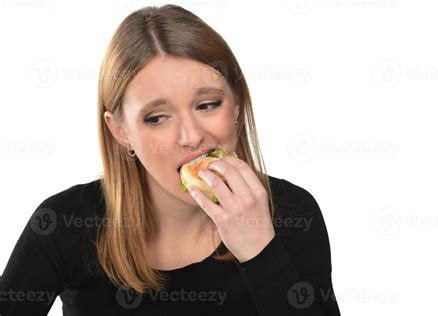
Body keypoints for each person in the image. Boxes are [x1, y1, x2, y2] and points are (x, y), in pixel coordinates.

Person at [0, 4, 340, 315]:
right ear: (120, 131)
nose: (191, 136)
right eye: (157, 117)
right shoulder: (63, 223)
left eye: (207, 105)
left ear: (236, 105)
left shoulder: (293, 211)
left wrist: (261, 252)